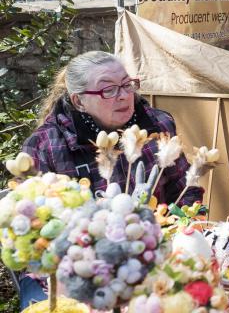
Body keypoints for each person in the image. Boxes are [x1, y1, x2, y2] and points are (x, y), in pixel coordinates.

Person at [18, 51, 203, 309]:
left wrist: (181, 234)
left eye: (127, 84)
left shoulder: (157, 124)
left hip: (152, 256)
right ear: (79, 101)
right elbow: (34, 232)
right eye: (108, 90)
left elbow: (185, 189)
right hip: (73, 270)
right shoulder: (45, 146)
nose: (124, 95)